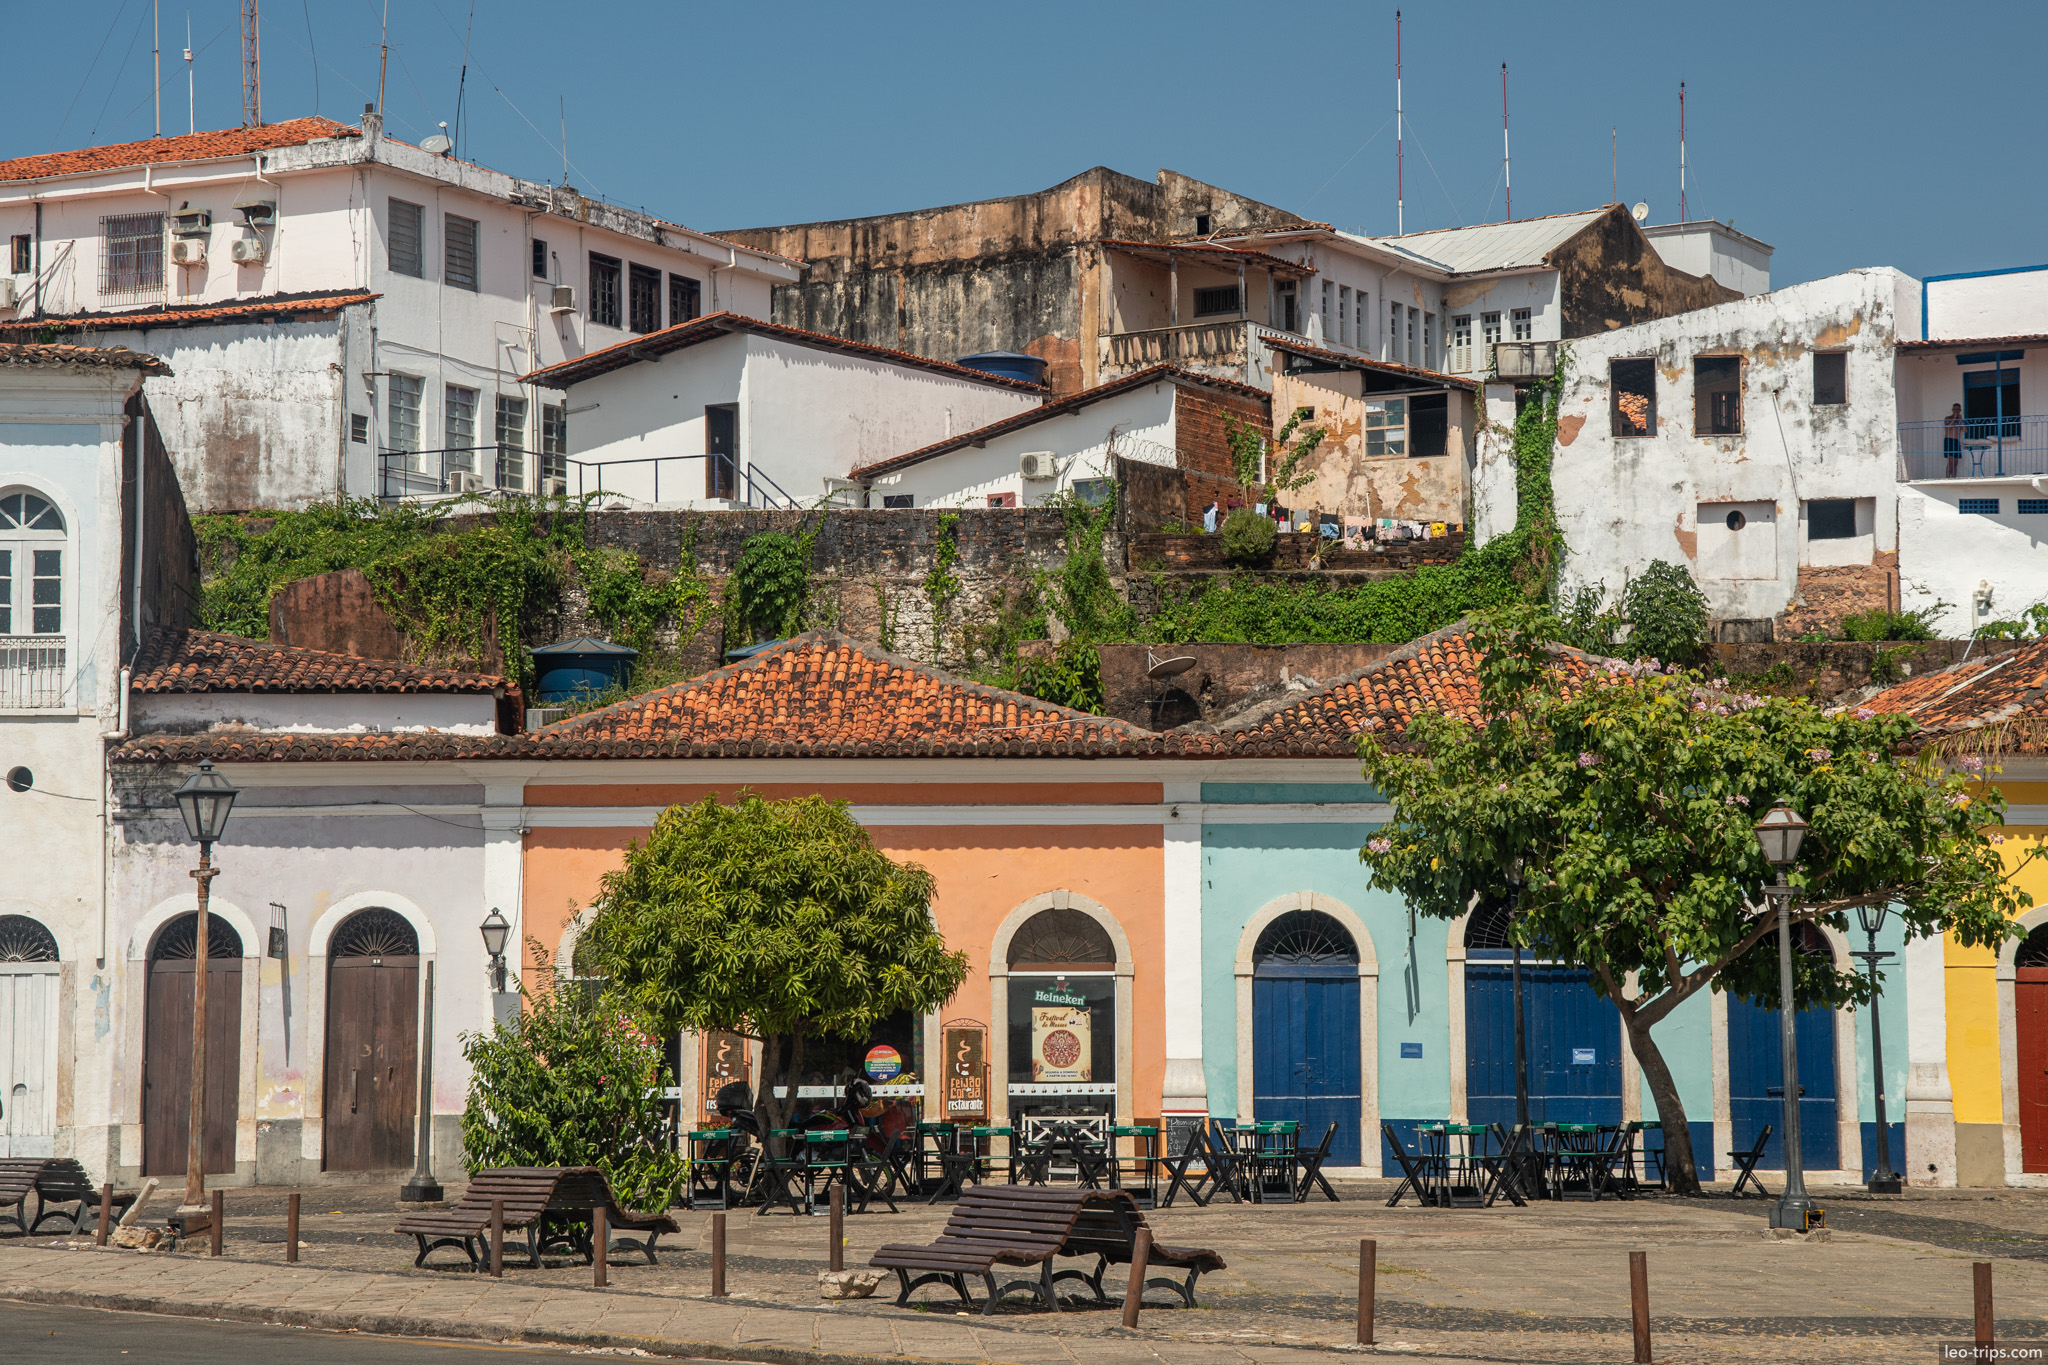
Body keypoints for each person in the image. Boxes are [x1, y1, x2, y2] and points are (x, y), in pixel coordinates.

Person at [1945, 403, 1965, 477]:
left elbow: (1965, 430)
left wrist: (1961, 420)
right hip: (1949, 439)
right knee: (1950, 461)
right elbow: (1948, 427)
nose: (1956, 411)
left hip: (1956, 441)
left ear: (1960, 410)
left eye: (1957, 409)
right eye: (1954, 409)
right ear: (1952, 410)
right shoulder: (1947, 418)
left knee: (1955, 462)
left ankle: (1954, 478)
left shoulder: (1960, 419)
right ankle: (1947, 478)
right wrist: (1954, 418)